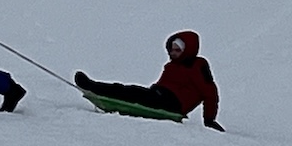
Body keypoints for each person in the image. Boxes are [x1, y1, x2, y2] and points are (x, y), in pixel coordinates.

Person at [74, 30, 223, 131]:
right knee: (129, 90)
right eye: (172, 50)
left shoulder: (197, 66)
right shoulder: (171, 66)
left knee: (133, 93)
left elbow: (210, 93)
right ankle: (93, 86)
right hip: (159, 95)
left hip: (173, 104)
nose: (173, 53)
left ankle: (92, 86)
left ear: (187, 50)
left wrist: (209, 119)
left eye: (178, 50)